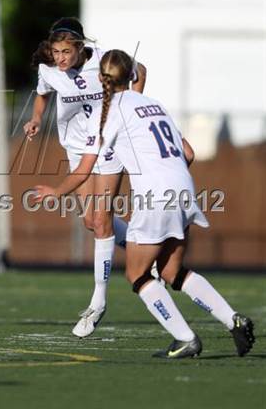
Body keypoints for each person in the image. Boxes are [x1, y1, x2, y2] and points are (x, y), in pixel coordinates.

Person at [34, 49, 255, 358]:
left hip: (155, 197)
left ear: (100, 78)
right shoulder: (154, 104)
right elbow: (188, 153)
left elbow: (84, 169)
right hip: (184, 190)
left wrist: (57, 192)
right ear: (132, 75)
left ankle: (185, 338)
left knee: (138, 276)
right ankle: (233, 319)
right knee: (171, 272)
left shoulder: (105, 114)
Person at [24, 18, 147, 337]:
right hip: (77, 150)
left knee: (102, 221)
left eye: (67, 51)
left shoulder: (104, 59)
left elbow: (140, 71)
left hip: (107, 145)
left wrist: (130, 108)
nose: (61, 58)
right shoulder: (49, 69)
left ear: (81, 48)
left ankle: (98, 303)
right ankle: (145, 247)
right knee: (91, 222)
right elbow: (42, 94)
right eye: (56, 51)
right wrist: (36, 118)